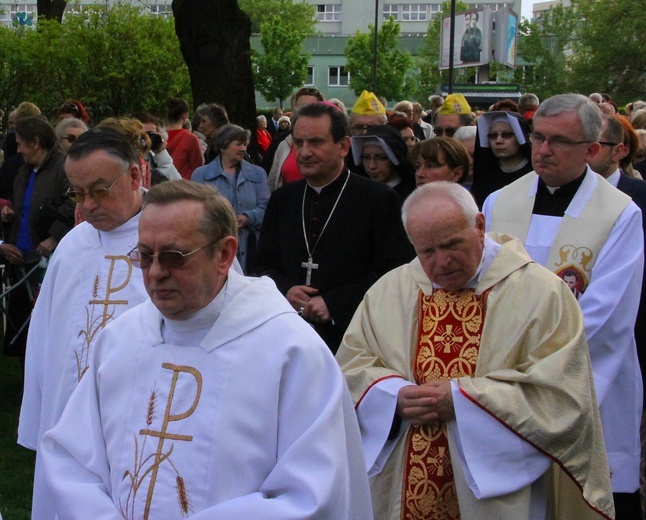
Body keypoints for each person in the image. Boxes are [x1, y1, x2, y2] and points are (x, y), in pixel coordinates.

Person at [40, 180, 373, 519]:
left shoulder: (290, 352)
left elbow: (312, 494)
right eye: (144, 256)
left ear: (224, 254)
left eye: (174, 257)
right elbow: (73, 460)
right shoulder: (120, 341)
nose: (155, 273)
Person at [336, 181, 614, 519]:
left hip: (497, 495)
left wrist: (463, 400)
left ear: (480, 226)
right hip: (400, 482)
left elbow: (562, 396)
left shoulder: (543, 294)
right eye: (427, 251)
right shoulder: (389, 291)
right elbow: (350, 367)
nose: (442, 262)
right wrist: (391, 395)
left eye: (452, 244)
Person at [483, 93, 644, 519]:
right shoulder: (500, 202)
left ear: (592, 150)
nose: (543, 149)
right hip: (502, 371)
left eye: (558, 141)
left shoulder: (620, 214)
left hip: (582, 372)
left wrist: (533, 358)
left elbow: (607, 309)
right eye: (538, 138)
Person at [17, 127, 150, 520]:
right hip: (64, 414)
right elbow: (43, 338)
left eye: (99, 190)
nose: (88, 205)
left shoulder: (173, 238)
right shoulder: (74, 245)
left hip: (132, 421)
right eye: (77, 193)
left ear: (135, 176)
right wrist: (36, 419)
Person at [256, 102, 411, 353]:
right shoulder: (284, 198)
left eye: (316, 142)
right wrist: (286, 290)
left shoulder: (379, 199)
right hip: (288, 335)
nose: (304, 152)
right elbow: (263, 265)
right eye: (299, 142)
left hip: (353, 339)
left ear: (343, 146)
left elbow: (394, 273)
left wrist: (335, 303)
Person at [1, 116, 74, 371]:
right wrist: (8, 214)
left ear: (35, 142)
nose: (17, 149)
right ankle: (27, 386)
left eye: (21, 144)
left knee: (45, 328)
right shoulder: (23, 171)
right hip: (19, 256)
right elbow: (22, 208)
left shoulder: (64, 168)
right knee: (22, 329)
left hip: (45, 262)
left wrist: (54, 237)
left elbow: (74, 204)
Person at [192, 124, 270, 274]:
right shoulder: (201, 175)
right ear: (223, 147)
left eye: (245, 144)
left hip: (251, 250)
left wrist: (248, 218)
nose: (243, 149)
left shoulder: (257, 174)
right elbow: (194, 211)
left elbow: (267, 207)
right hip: (215, 247)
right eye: (238, 144)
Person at [470, 110, 533, 208]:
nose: (498, 141)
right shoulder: (484, 179)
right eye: (493, 136)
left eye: (507, 135)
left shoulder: (535, 175)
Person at [267, 87, 325, 191]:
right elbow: (271, 183)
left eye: (312, 107)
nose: (305, 112)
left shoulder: (330, 143)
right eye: (300, 108)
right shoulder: (282, 143)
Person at [351, 124, 415, 204]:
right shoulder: (355, 194)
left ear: (395, 158)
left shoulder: (413, 197)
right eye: (366, 157)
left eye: (381, 157)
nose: (372, 166)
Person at [165, 97, 204, 180]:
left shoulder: (157, 137)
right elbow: (198, 170)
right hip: (184, 188)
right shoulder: (190, 139)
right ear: (185, 116)